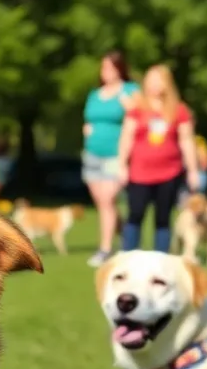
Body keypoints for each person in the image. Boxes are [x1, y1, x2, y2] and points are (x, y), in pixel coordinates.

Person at [117, 64, 199, 252]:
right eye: (150, 79)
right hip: (139, 174)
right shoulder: (137, 108)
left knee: (163, 218)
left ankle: (160, 258)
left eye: (158, 80)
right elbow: (126, 137)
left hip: (170, 173)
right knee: (135, 214)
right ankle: (128, 255)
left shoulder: (178, 110)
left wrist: (193, 170)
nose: (153, 84)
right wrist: (122, 165)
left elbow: (186, 140)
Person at [81, 51, 140, 267]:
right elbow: (88, 117)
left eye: (110, 67)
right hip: (92, 153)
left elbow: (139, 118)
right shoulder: (95, 94)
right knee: (104, 204)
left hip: (116, 154)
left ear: (120, 69)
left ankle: (105, 249)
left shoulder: (130, 91)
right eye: (103, 67)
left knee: (108, 200)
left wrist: (130, 107)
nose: (106, 72)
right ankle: (127, 236)